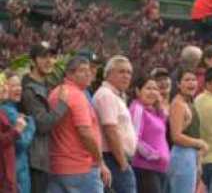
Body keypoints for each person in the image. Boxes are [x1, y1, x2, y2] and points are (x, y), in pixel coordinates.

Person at [47, 56, 110, 193]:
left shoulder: (55, 92)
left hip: (57, 167)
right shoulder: (77, 96)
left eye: (89, 70)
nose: (88, 73)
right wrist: (100, 161)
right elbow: (85, 133)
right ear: (69, 74)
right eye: (82, 70)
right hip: (80, 168)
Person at [21, 42, 68, 193]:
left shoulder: (45, 86)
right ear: (32, 61)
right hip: (34, 161)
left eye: (52, 57)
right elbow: (42, 125)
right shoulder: (29, 91)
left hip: (44, 159)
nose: (49, 61)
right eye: (43, 57)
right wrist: (62, 105)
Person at [93, 56, 137, 193]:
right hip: (113, 158)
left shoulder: (115, 95)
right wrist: (123, 163)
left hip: (116, 158)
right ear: (108, 74)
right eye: (121, 72)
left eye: (129, 72)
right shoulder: (106, 95)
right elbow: (110, 130)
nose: (126, 76)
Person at [167, 69, 207, 193]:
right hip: (182, 154)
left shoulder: (189, 102)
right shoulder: (178, 104)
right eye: (187, 80)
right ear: (178, 84)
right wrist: (200, 143)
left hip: (191, 155)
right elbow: (176, 136)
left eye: (193, 79)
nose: (191, 83)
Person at [129, 76, 170, 193]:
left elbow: (162, 129)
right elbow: (134, 138)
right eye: (148, 88)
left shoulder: (152, 110)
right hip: (146, 169)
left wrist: (159, 106)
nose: (152, 92)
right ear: (138, 91)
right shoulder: (138, 109)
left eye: (155, 89)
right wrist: (154, 156)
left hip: (160, 169)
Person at [1, 72, 35, 193]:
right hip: (17, 171)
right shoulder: (8, 112)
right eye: (13, 86)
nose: (18, 89)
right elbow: (21, 144)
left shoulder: (12, 110)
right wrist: (31, 123)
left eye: (19, 85)